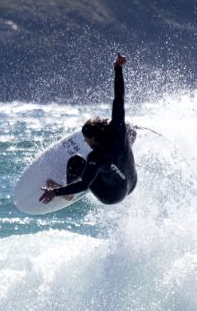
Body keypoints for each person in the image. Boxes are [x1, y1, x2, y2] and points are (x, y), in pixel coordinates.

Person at [40, 53, 138, 206]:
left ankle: (68, 195)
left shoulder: (96, 157)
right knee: (130, 130)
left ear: (93, 138)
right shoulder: (118, 127)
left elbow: (83, 185)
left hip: (111, 196)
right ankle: (114, 165)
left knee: (76, 162)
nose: (85, 142)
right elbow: (119, 97)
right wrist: (118, 68)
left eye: (86, 139)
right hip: (131, 184)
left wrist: (55, 192)